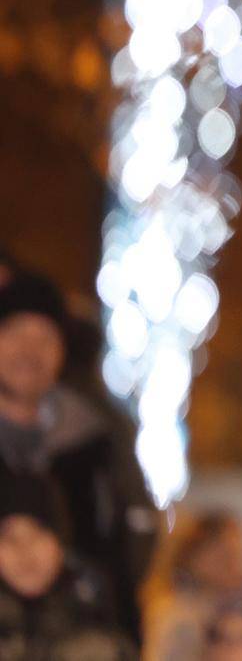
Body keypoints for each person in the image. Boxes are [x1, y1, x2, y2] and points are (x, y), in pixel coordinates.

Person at [0, 266, 156, 639]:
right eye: (16, 334)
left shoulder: (98, 442)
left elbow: (131, 543)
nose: (29, 352)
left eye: (45, 338)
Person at [0, 473, 137, 660]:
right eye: (9, 537)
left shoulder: (101, 640)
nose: (24, 550)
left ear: (61, 543)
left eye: (38, 532)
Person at [143, 512, 242, 661]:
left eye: (239, 555)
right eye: (226, 556)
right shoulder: (181, 618)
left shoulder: (219, 609)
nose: (239, 567)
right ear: (196, 557)